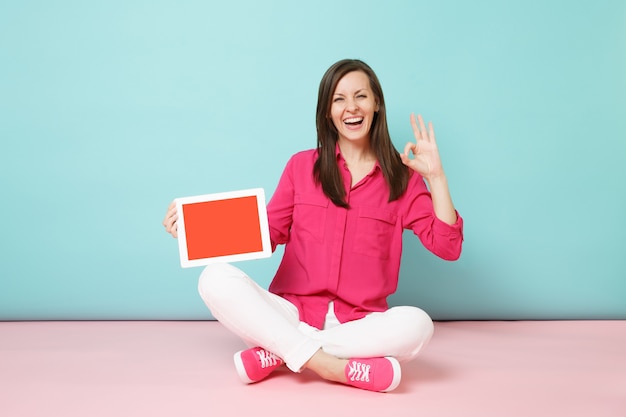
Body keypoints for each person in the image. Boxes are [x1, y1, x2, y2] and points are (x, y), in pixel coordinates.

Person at [162, 59, 463, 393]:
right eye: (339, 99)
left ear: (376, 103)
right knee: (214, 277)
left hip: (360, 323)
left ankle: (280, 352)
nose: (351, 107)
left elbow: (448, 247)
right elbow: (268, 232)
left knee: (418, 325)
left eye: (361, 96)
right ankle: (331, 367)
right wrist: (194, 228)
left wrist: (436, 177)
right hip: (291, 310)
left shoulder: (402, 180)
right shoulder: (301, 166)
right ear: (327, 112)